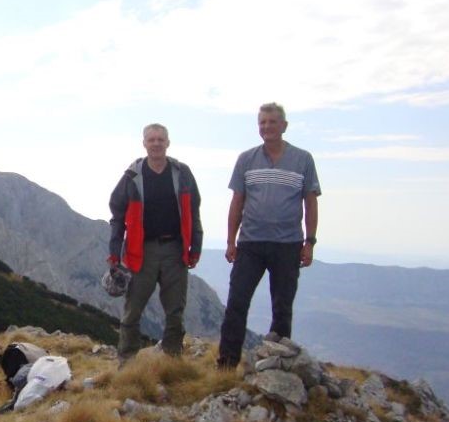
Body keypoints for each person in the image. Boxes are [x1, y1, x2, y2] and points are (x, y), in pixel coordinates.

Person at [217, 103, 321, 369]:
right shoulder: (246, 159)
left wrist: (310, 242)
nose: (267, 127)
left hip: (288, 244)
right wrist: (230, 241)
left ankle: (277, 365)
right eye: (262, 122)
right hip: (250, 243)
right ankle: (226, 364)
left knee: (282, 307)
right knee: (237, 303)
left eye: (272, 122)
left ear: (284, 126)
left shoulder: (303, 159)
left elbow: (310, 202)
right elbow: (237, 201)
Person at [108, 123, 203, 362]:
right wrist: (114, 254)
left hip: (175, 250)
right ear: (144, 144)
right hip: (141, 252)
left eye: (161, 139)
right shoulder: (132, 176)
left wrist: (196, 246)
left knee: (175, 311)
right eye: (152, 140)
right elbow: (117, 215)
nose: (156, 144)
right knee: (132, 311)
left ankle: (172, 359)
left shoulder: (182, 173)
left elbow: (194, 211)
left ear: (168, 143)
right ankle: (127, 363)